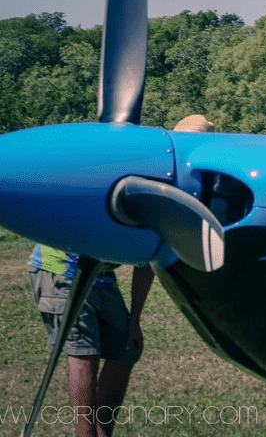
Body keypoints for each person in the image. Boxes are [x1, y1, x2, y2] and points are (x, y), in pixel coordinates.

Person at [27, 114, 215, 437]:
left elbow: (146, 258)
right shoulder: (143, 169)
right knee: (84, 355)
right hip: (61, 267)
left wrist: (135, 319)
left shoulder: (175, 188)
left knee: (125, 350)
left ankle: (101, 432)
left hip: (101, 274)